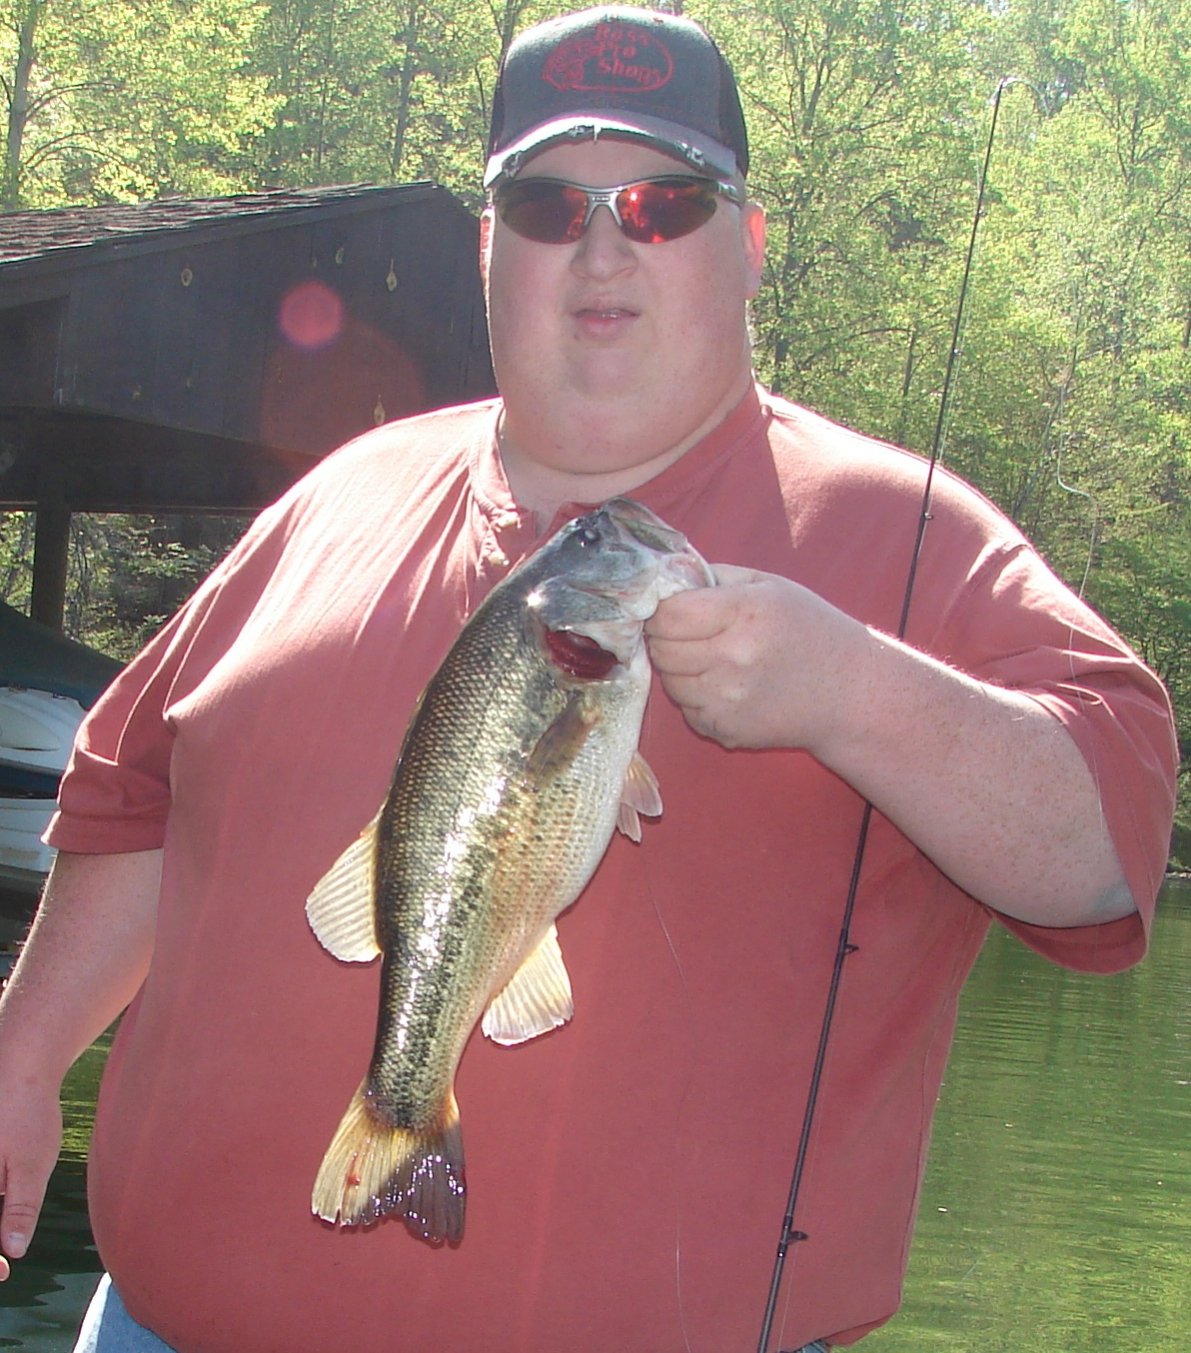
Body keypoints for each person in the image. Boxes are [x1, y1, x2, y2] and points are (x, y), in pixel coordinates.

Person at [0, 7, 1177, 1351]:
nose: (605, 246)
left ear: (749, 245)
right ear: (489, 250)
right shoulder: (338, 495)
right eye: (549, 207)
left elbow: (1112, 850)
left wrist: (853, 689)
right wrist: (24, 1054)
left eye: (665, 203)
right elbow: (133, 796)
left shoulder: (911, 535)